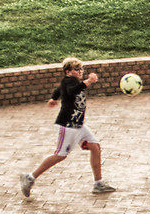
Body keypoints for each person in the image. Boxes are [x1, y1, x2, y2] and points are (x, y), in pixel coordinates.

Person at [20, 56, 115, 196]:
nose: (81, 71)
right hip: (67, 125)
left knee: (95, 146)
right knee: (60, 155)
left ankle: (98, 183)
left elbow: (60, 89)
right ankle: (30, 177)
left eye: (81, 69)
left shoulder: (71, 82)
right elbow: (71, 91)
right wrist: (88, 81)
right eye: (78, 69)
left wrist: (54, 98)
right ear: (69, 71)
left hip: (78, 125)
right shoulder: (70, 81)